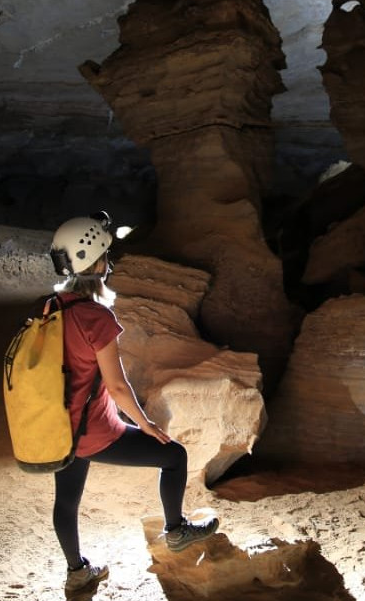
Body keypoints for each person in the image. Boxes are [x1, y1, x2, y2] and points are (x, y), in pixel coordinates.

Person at [48, 211, 219, 599]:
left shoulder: (50, 308)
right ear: (96, 264)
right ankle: (176, 531)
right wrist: (145, 424)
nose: (108, 262)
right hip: (95, 432)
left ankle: (77, 572)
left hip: (59, 428)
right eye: (105, 256)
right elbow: (117, 386)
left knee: (66, 501)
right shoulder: (96, 317)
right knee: (173, 455)